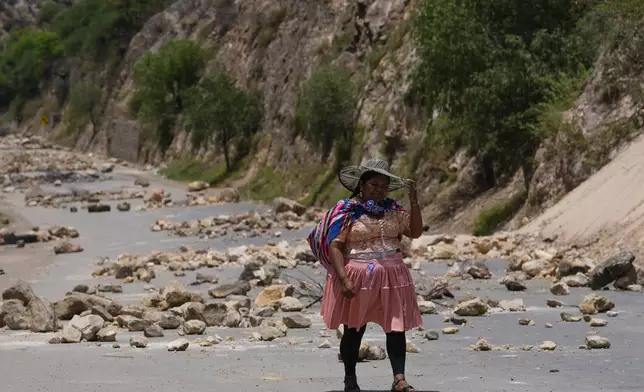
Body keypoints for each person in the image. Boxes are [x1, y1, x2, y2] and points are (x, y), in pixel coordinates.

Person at [307, 158, 423, 392]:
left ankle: (399, 379)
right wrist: (343, 279)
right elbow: (335, 246)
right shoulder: (347, 210)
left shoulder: (394, 209)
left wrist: (414, 202)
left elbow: (416, 232)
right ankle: (350, 379)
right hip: (358, 277)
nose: (380, 190)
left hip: (393, 276)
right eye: (374, 185)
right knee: (354, 328)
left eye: (384, 186)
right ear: (362, 184)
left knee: (396, 327)